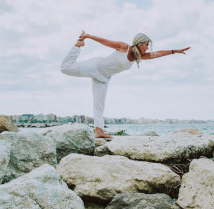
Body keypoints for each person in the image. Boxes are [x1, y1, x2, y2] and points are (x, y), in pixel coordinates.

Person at [60, 31, 190, 139]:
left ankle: (99, 131)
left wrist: (174, 51)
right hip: (95, 67)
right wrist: (87, 36)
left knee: (99, 105)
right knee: (65, 68)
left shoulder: (140, 56)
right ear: (138, 43)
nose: (147, 47)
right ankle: (77, 46)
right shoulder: (124, 47)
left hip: (103, 78)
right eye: (146, 44)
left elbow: (158, 53)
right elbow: (105, 41)